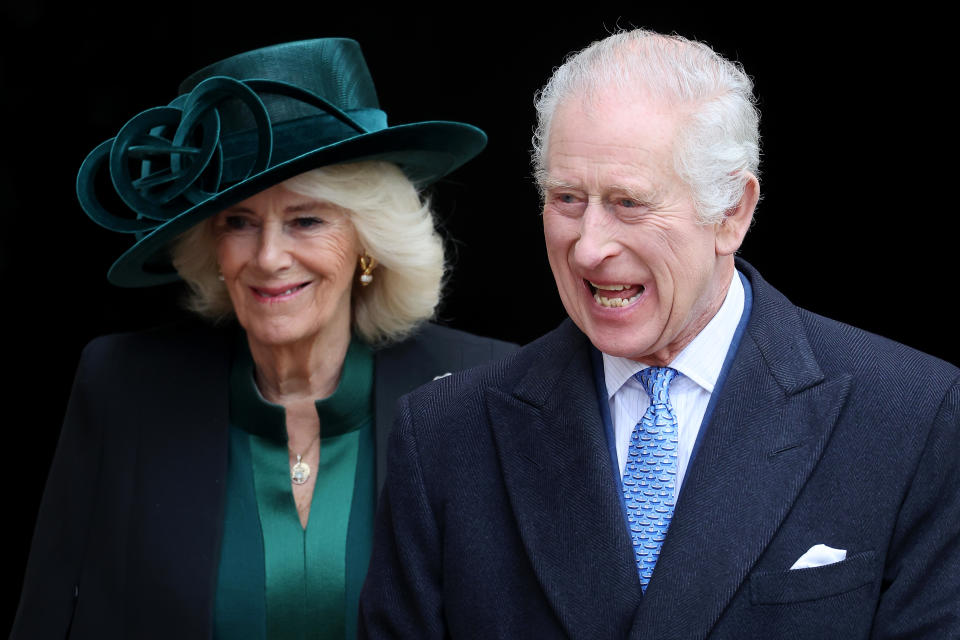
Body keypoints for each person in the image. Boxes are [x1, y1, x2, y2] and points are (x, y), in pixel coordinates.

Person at [359, 28, 960, 639]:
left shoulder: (910, 416)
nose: (589, 248)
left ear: (732, 213)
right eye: (567, 198)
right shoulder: (445, 435)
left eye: (629, 203)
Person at [11, 38, 515, 640]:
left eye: (306, 219)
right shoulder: (123, 388)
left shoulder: (484, 393)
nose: (270, 257)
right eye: (239, 223)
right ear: (212, 251)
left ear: (367, 244)